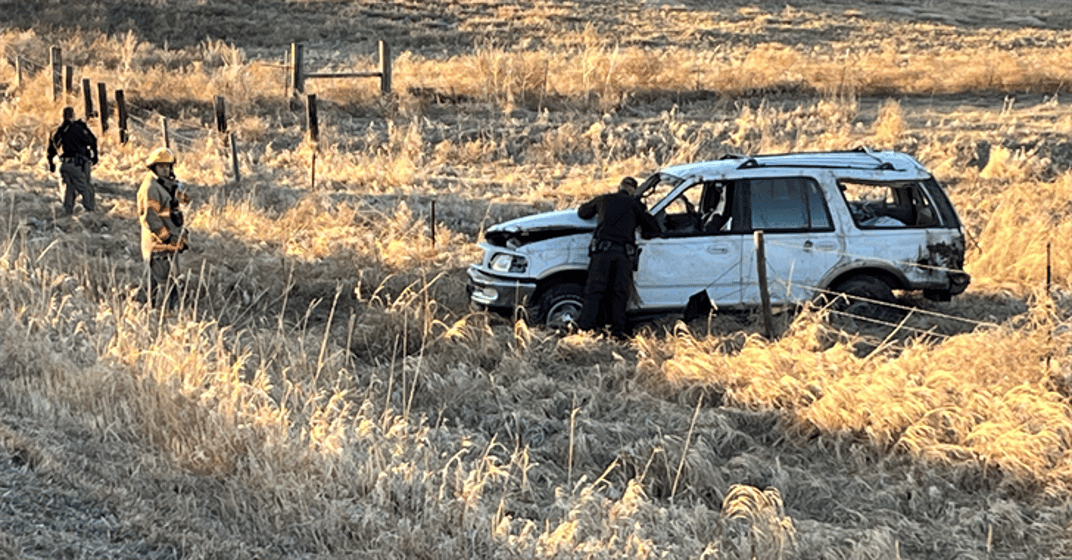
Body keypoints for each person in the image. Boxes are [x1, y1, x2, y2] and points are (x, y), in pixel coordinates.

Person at [575, 176, 660, 339]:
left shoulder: (604, 199)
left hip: (602, 254)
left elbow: (583, 212)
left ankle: (585, 331)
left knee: (594, 293)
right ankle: (617, 333)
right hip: (623, 256)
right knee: (619, 295)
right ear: (634, 190)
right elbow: (654, 228)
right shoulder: (635, 205)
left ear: (619, 187)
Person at [137, 147, 190, 309]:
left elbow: (185, 201)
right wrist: (167, 238)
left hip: (168, 242)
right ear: (153, 168)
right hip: (159, 245)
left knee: (151, 284)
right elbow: (151, 218)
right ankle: (167, 315)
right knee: (167, 285)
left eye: (167, 166)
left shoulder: (164, 185)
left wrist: (179, 192)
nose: (165, 169)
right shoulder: (150, 188)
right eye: (161, 166)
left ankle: (140, 309)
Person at [46, 106, 99, 215]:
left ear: (63, 116)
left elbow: (51, 151)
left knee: (69, 190)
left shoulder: (56, 131)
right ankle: (91, 216)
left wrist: (51, 165)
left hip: (63, 165)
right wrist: (95, 156)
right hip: (78, 164)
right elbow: (92, 140)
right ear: (73, 115)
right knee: (86, 189)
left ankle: (67, 216)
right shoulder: (79, 127)